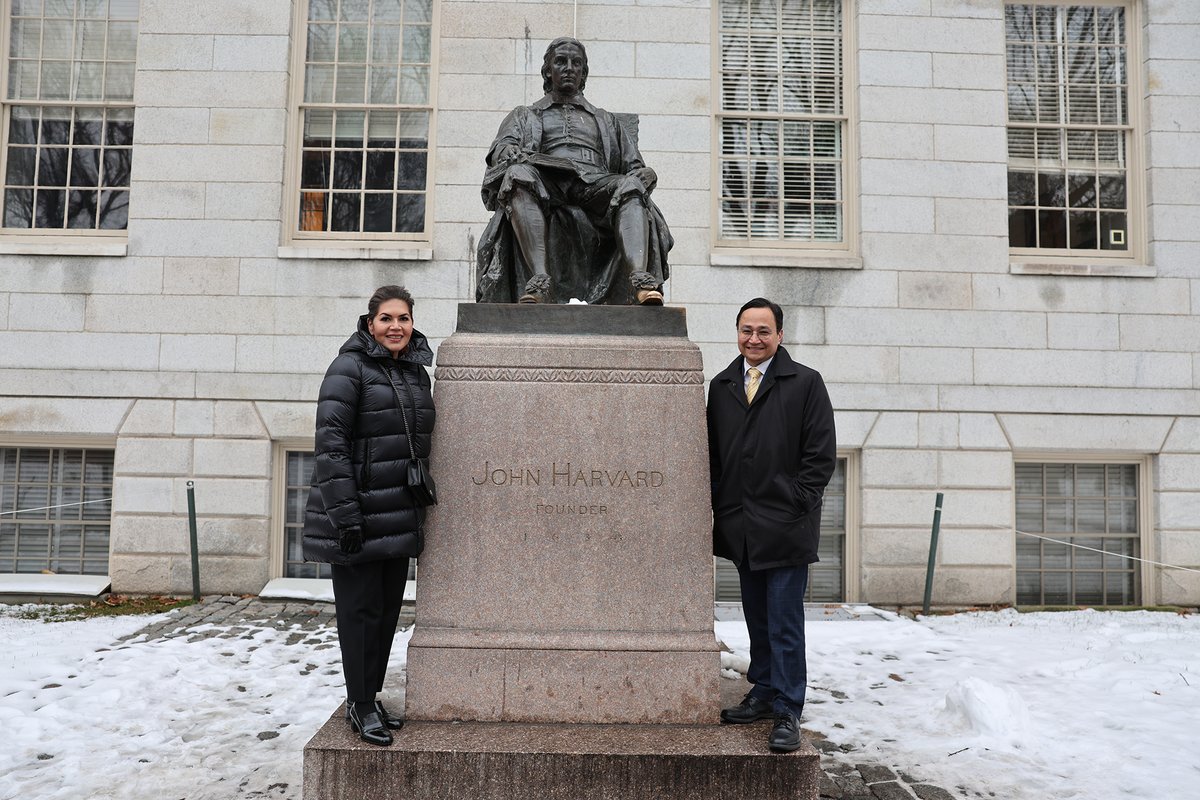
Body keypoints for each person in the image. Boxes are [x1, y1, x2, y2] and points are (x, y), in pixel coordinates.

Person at [302, 285, 435, 747]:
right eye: (386, 319)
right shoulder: (349, 368)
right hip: (357, 515)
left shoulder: (416, 373)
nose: (395, 326)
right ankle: (358, 705)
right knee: (358, 615)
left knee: (383, 615)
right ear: (370, 322)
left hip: (396, 514)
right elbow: (331, 446)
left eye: (403, 318)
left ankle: (370, 696)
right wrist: (346, 516)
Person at [706, 297, 836, 753]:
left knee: (783, 622)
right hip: (741, 526)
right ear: (737, 333)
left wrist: (796, 503)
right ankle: (762, 691)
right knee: (757, 619)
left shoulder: (805, 383)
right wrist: (722, 505)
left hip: (784, 525)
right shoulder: (722, 385)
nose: (754, 339)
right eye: (746, 330)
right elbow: (716, 457)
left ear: (780, 336)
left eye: (763, 331)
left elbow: (819, 457)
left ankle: (786, 707)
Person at [476, 36, 672, 306]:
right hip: (546, 180)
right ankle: (539, 281)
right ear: (548, 71)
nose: (569, 67)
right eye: (560, 61)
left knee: (631, 187)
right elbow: (503, 146)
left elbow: (633, 166)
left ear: (583, 73)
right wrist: (506, 152)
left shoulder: (605, 119)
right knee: (517, 175)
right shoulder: (525, 114)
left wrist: (647, 173)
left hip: (594, 184)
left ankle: (640, 280)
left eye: (576, 63)